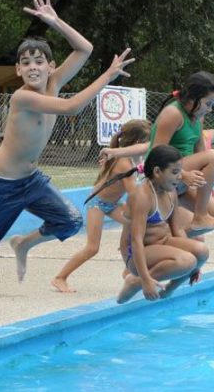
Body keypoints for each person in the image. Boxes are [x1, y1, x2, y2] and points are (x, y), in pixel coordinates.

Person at [0, 0, 135, 354]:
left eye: (39, 61)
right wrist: (108, 75)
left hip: (30, 181)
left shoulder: (53, 83)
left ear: (49, 65)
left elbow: (85, 50)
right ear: (17, 70)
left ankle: (24, 242)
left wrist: (54, 22)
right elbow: (74, 108)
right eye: (25, 62)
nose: (32, 67)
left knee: (70, 221)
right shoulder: (22, 98)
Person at [100, 72, 214, 237]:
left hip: (180, 179)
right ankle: (199, 217)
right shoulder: (173, 114)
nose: (210, 109)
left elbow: (201, 154)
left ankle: (162, 238)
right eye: (208, 103)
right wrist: (183, 174)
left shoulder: (198, 117)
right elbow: (155, 155)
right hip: (161, 178)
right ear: (193, 98)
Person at [50, 119, 150, 293]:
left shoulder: (133, 157)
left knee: (141, 225)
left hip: (112, 203)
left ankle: (128, 266)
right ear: (138, 142)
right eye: (147, 141)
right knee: (92, 247)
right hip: (97, 203)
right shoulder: (124, 162)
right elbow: (134, 192)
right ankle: (60, 277)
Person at [117, 145, 209, 304]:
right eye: (174, 172)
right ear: (157, 172)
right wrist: (145, 280)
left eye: (180, 171)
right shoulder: (142, 196)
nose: (179, 177)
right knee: (186, 261)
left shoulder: (170, 191)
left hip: (162, 242)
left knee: (201, 251)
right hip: (137, 253)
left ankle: (169, 289)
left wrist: (196, 267)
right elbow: (136, 241)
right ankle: (136, 282)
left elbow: (177, 229)